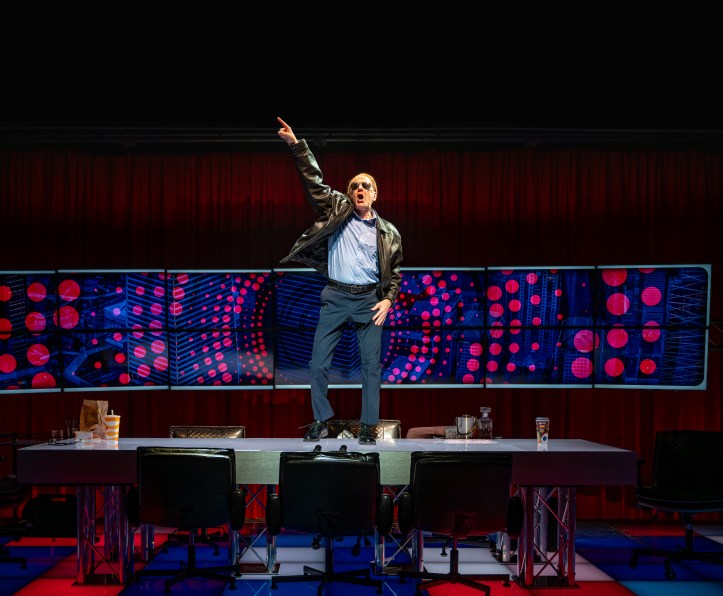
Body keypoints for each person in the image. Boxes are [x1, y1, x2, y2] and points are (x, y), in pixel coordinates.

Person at [276, 116, 403, 445]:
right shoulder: (337, 209)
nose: (360, 189)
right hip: (335, 297)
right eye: (355, 186)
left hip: (369, 301)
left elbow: (394, 273)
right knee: (318, 363)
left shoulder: (389, 233)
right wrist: (297, 146)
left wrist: (388, 300)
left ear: (375, 195)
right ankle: (320, 420)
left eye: (366, 186)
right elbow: (314, 182)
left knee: (371, 366)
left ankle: (368, 426)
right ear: (349, 194)